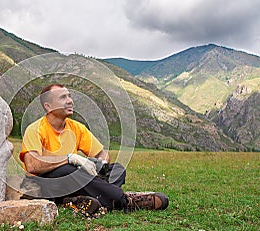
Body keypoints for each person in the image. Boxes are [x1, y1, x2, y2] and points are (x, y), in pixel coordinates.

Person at [19, 83, 168, 214]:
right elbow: (32, 165)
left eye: (69, 96)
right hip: (45, 183)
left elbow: (102, 153)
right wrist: (70, 158)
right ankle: (125, 201)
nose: (70, 101)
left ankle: (76, 200)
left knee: (116, 170)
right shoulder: (35, 129)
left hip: (74, 181)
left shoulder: (77, 128)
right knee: (67, 171)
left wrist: (99, 165)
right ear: (48, 106)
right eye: (63, 98)